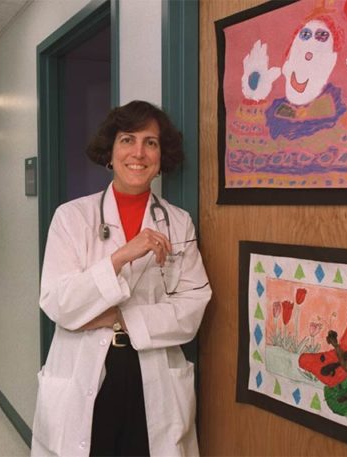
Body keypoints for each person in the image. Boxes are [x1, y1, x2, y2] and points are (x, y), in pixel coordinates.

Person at [32, 100, 212, 456]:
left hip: (152, 371)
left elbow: (192, 307)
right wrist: (120, 257)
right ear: (110, 153)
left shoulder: (178, 222)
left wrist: (119, 318)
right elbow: (58, 302)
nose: (139, 153)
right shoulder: (71, 218)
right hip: (85, 369)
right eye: (127, 140)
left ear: (162, 156)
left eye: (151, 142)